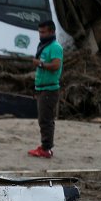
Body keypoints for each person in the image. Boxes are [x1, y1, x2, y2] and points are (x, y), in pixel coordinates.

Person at [28, 20, 63, 158]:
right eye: (39, 32)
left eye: (43, 32)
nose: (40, 35)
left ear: (52, 32)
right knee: (44, 119)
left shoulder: (55, 47)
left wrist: (40, 64)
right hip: (42, 88)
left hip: (50, 89)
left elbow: (56, 65)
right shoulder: (45, 45)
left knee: (45, 120)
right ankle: (46, 147)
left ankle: (46, 148)